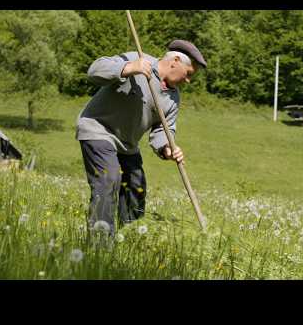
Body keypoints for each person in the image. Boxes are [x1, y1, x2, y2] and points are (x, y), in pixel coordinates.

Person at [76, 39, 207, 236]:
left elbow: (164, 129)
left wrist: (167, 148)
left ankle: (129, 236)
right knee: (109, 180)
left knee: (136, 186)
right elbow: (95, 70)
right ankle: (100, 244)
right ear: (176, 61)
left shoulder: (173, 97)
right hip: (98, 129)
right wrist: (127, 68)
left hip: (127, 144)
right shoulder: (136, 59)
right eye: (188, 74)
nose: (188, 81)